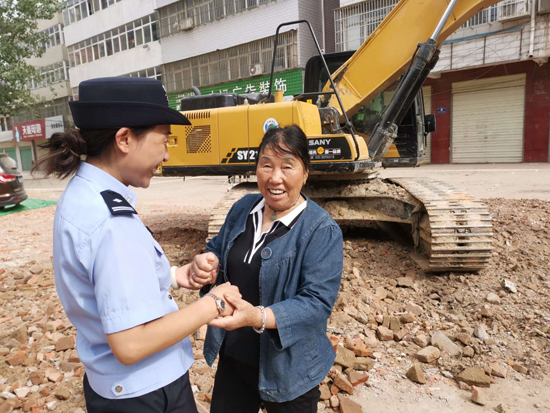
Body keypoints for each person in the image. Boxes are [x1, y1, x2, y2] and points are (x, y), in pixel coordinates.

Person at [32, 77, 239, 413]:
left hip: (117, 387)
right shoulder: (110, 221)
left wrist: (174, 275)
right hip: (146, 393)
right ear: (125, 139)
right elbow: (130, 344)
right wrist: (213, 304)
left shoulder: (86, 195)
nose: (167, 154)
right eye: (164, 140)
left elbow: (107, 282)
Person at [194, 124, 344, 412]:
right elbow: (218, 248)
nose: (275, 178)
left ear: (305, 172)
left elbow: (316, 303)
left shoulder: (321, 230)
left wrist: (257, 317)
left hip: (290, 368)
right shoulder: (243, 209)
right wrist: (207, 262)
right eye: (266, 165)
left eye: (287, 166)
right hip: (234, 357)